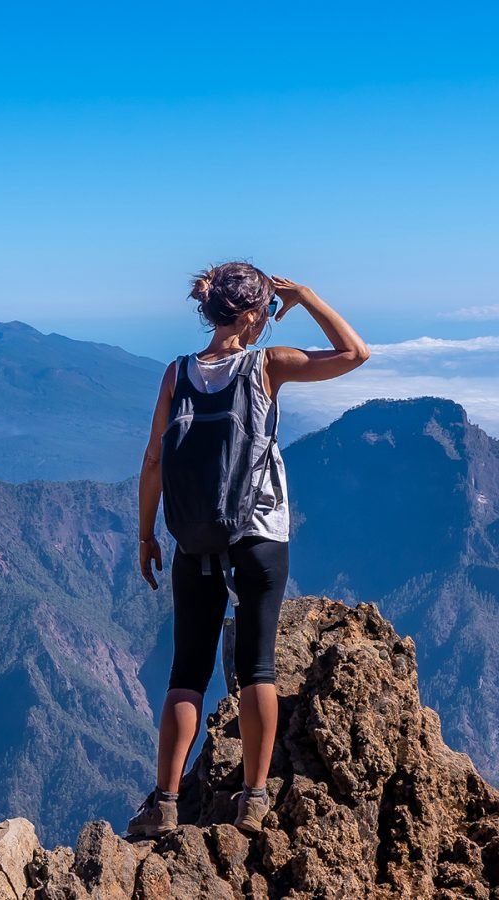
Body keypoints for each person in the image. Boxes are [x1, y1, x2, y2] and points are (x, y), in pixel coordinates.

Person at [127, 261, 369, 837]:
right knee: (257, 665)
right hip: (259, 533)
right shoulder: (268, 365)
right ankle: (254, 799)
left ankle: (165, 801)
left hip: (194, 538)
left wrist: (146, 533)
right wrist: (305, 295)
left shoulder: (177, 373)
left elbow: (155, 459)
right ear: (258, 313)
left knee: (187, 671)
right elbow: (354, 353)